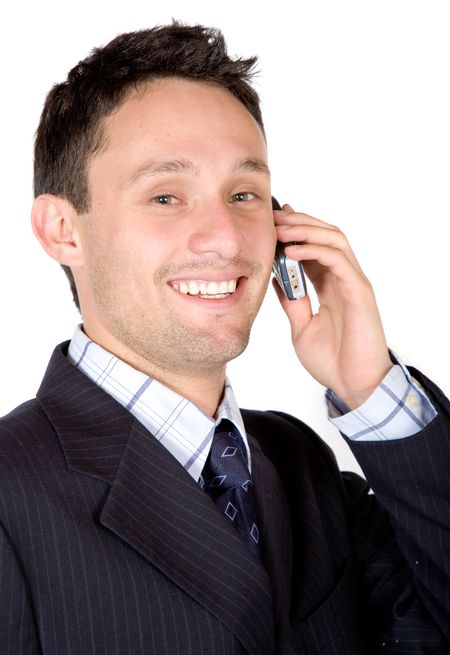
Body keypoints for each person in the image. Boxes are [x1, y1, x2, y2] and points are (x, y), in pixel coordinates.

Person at [0, 22, 448, 655]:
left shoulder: (301, 464)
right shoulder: (10, 496)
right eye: (165, 196)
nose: (226, 238)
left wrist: (373, 390)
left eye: (244, 193)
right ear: (62, 230)